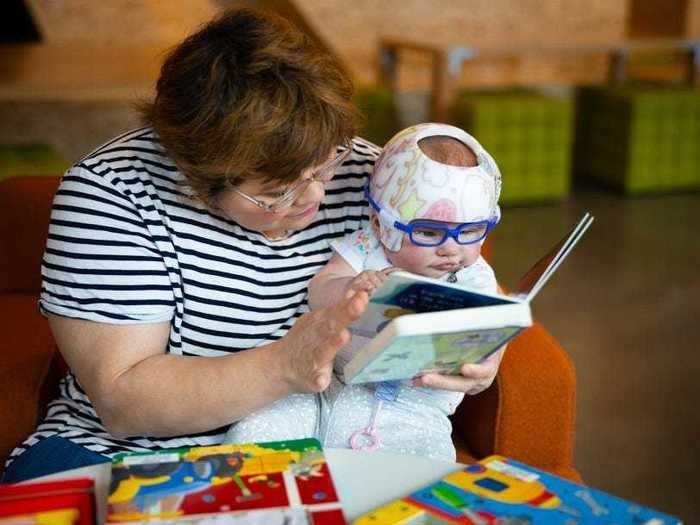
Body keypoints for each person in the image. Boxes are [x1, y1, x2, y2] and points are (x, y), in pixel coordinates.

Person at [2, 9, 501, 483]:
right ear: (197, 178)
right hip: (133, 455)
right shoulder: (111, 194)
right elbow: (125, 402)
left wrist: (474, 352)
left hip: (336, 446)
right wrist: (289, 363)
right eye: (277, 191)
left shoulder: (379, 177)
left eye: (325, 166)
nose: (317, 196)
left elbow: (455, 273)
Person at [225, 123, 505, 461]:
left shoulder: (476, 277)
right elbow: (318, 291)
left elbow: (486, 337)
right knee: (256, 428)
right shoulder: (364, 248)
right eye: (429, 233)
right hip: (327, 390)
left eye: (472, 232)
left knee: (430, 462)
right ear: (380, 224)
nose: (452, 250)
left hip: (414, 406)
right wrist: (350, 287)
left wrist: (480, 355)